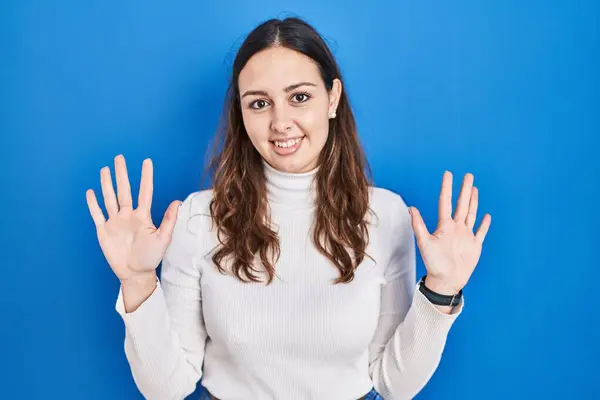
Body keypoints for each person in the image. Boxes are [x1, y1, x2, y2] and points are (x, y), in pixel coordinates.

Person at [85, 17, 491, 400]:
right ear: (241, 114)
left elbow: (394, 383)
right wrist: (137, 280)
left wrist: (441, 290)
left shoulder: (385, 216)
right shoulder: (197, 219)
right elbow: (166, 388)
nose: (281, 122)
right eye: (259, 104)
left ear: (332, 98)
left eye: (299, 97)